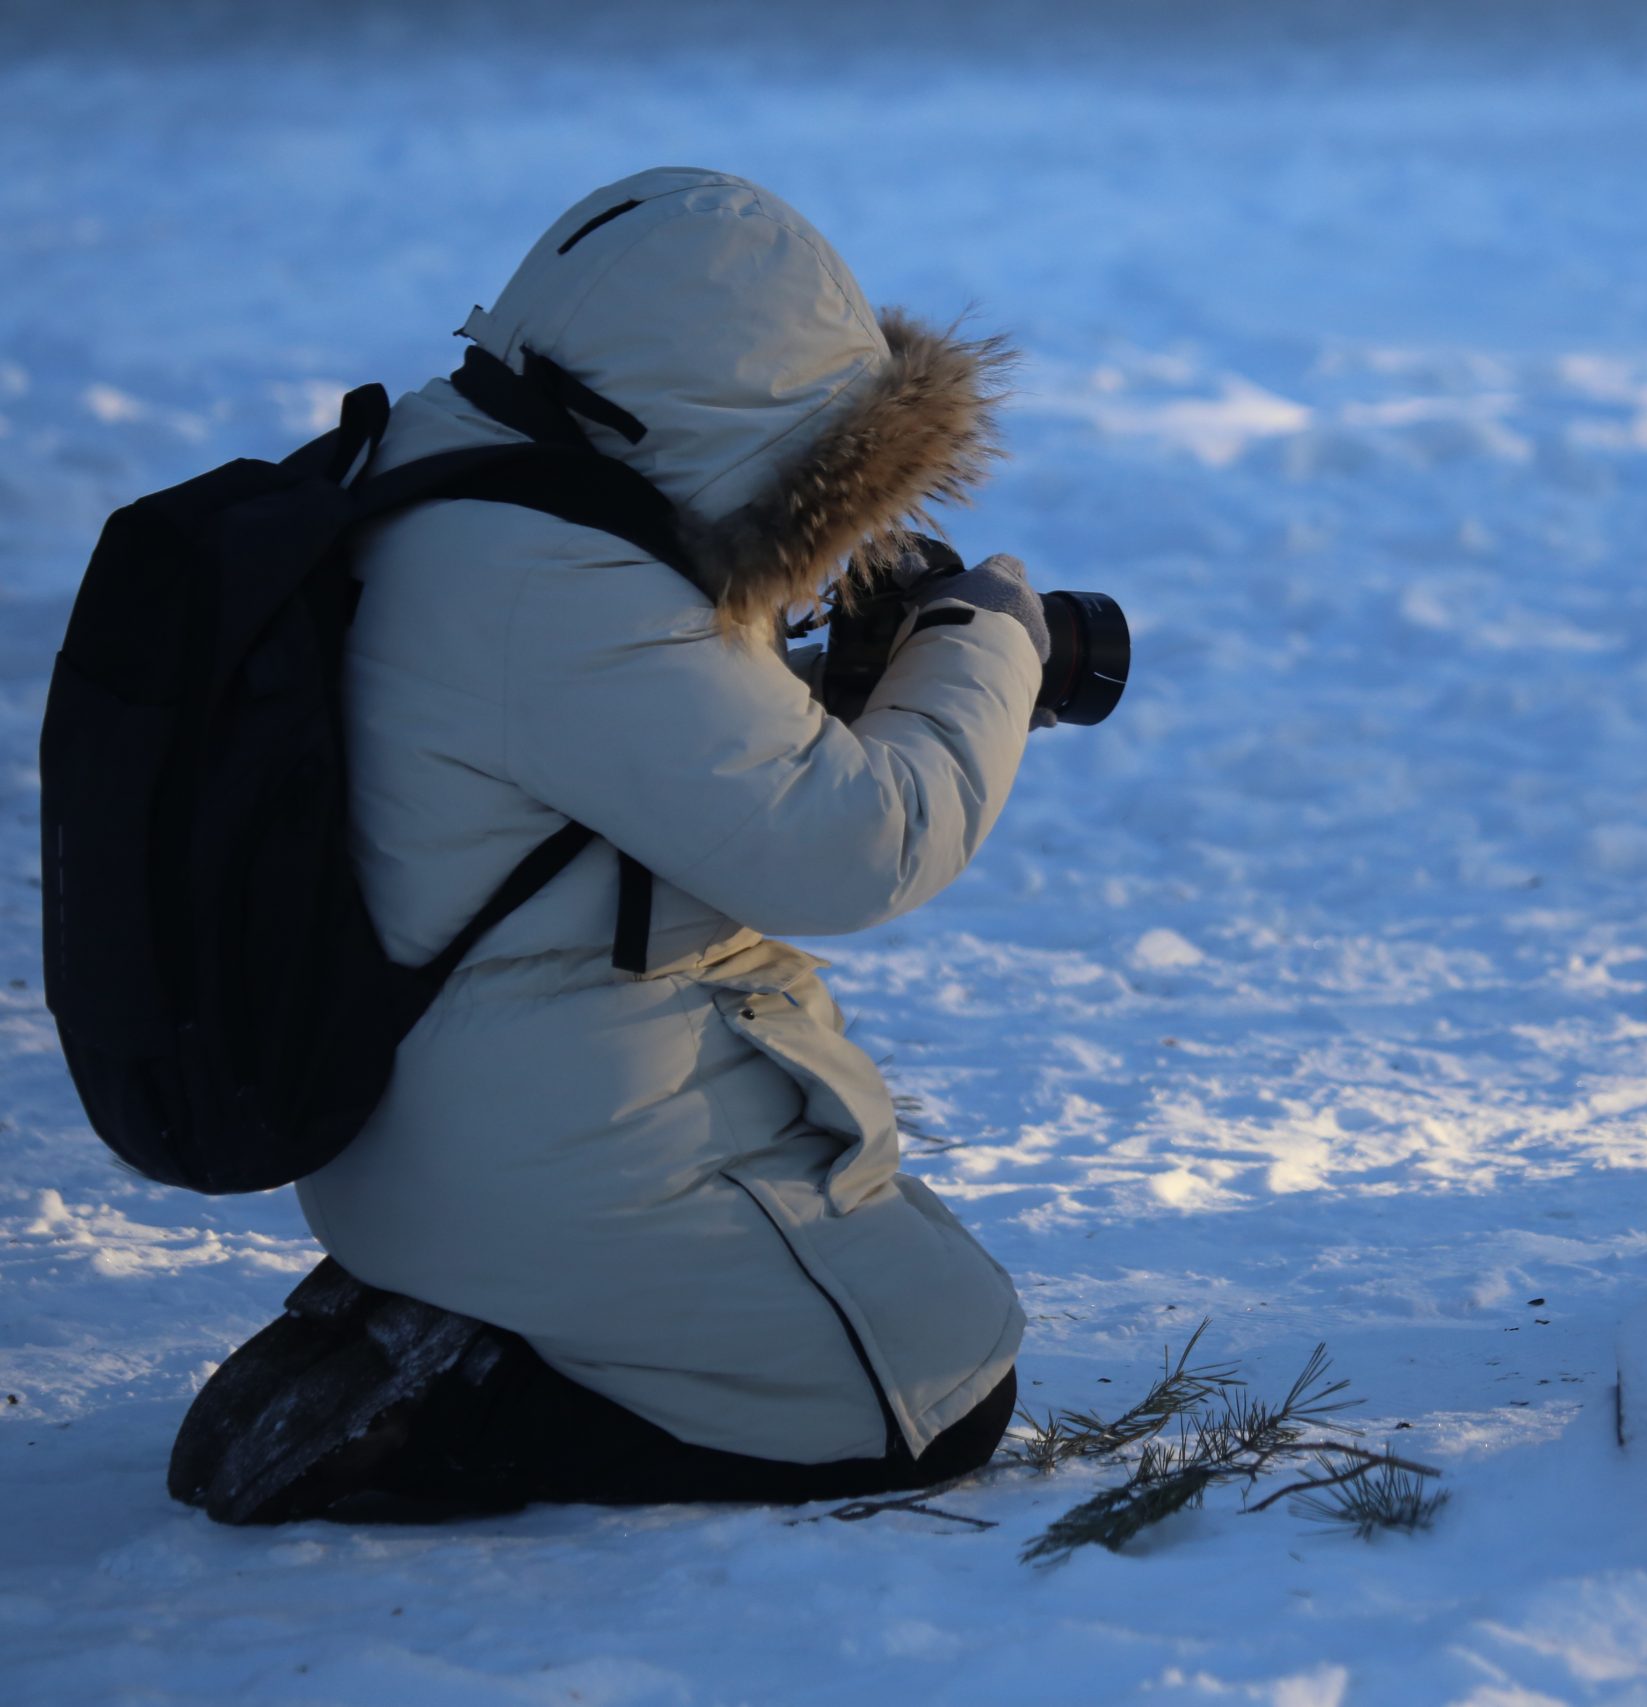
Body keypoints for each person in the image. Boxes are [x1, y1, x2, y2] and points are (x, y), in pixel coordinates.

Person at [171, 168, 1044, 1523]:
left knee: (902, 1282)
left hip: (423, 1127)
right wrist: (985, 646)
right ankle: (474, 1406)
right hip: (546, 1149)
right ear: (730, 415)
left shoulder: (440, 474)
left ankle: (463, 1318)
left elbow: (582, 764)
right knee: (935, 1382)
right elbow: (855, 849)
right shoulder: (560, 586)